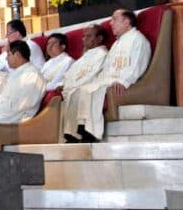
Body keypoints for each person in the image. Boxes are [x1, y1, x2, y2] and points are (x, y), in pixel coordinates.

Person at [62, 11, 150, 142]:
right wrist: (99, 80)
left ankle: (90, 132)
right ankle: (73, 133)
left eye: (114, 19)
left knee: (88, 90)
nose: (111, 23)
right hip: (108, 80)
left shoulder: (138, 39)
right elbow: (107, 69)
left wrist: (124, 81)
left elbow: (137, 64)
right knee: (77, 91)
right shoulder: (116, 44)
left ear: (126, 22)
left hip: (121, 83)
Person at [0, 41, 46, 150]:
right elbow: (5, 98)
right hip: (7, 114)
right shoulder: (17, 74)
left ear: (18, 55)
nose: (6, 59)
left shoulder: (32, 76)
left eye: (8, 54)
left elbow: (22, 105)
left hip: (18, 119)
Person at [60, 25, 110, 142]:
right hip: (77, 87)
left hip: (91, 86)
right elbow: (71, 74)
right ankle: (71, 133)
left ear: (99, 38)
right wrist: (66, 85)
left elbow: (90, 75)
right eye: (83, 36)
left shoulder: (101, 54)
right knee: (72, 93)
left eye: (88, 36)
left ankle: (84, 131)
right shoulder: (86, 56)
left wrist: (71, 87)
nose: (84, 39)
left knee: (79, 92)